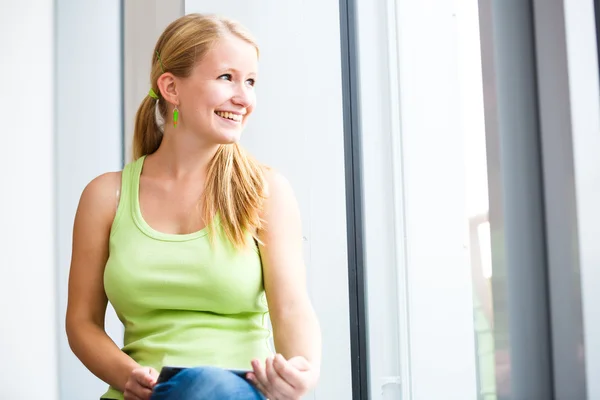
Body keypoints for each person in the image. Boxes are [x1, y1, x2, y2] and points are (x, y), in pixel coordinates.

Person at [65, 13, 321, 400]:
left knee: (204, 385)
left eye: (250, 82)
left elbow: (291, 308)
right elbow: (82, 323)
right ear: (170, 87)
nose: (244, 98)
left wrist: (302, 371)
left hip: (237, 390)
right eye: (226, 78)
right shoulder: (106, 196)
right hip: (144, 394)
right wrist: (129, 375)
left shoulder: (265, 191)